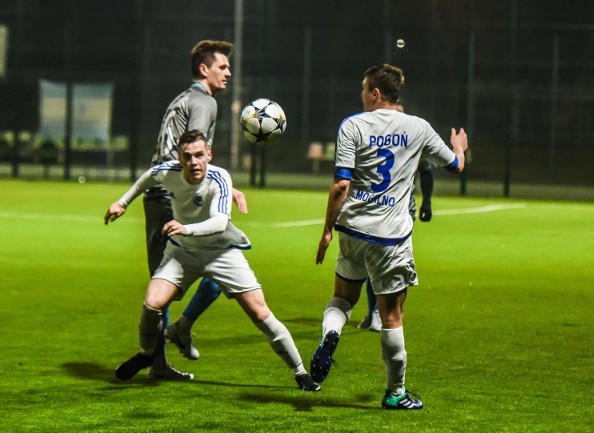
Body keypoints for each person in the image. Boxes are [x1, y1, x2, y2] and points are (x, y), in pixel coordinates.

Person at [105, 131, 321, 392]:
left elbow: (219, 223)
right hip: (183, 252)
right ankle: (147, 354)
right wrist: (122, 202)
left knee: (260, 313)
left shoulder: (220, 177)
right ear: (179, 158)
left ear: (209, 154)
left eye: (199, 155)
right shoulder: (168, 171)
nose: (194, 162)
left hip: (222, 252)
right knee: (152, 304)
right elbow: (147, 177)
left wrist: (186, 228)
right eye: (187, 157)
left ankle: (300, 373)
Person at [310, 64, 468, 409]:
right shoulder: (418, 127)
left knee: (341, 299)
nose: (362, 97)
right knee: (392, 317)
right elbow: (455, 167)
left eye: (364, 91)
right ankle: (396, 393)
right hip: (390, 239)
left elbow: (341, 184)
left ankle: (331, 334)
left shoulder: (352, 125)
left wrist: (326, 231)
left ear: (376, 93)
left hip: (352, 231)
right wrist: (459, 147)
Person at [141, 40, 247, 380]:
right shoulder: (205, 102)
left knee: (211, 262)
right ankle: (165, 353)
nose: (228, 72)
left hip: (162, 196)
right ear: (204, 69)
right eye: (222, 67)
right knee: (205, 266)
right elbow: (193, 151)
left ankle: (178, 333)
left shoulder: (183, 98)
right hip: (173, 198)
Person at [357, 99, 434, 332]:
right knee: (373, 261)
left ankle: (384, 312)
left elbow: (427, 172)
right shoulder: (373, 137)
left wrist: (427, 203)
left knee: (392, 263)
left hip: (402, 210)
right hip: (375, 208)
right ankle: (376, 312)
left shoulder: (412, 137)